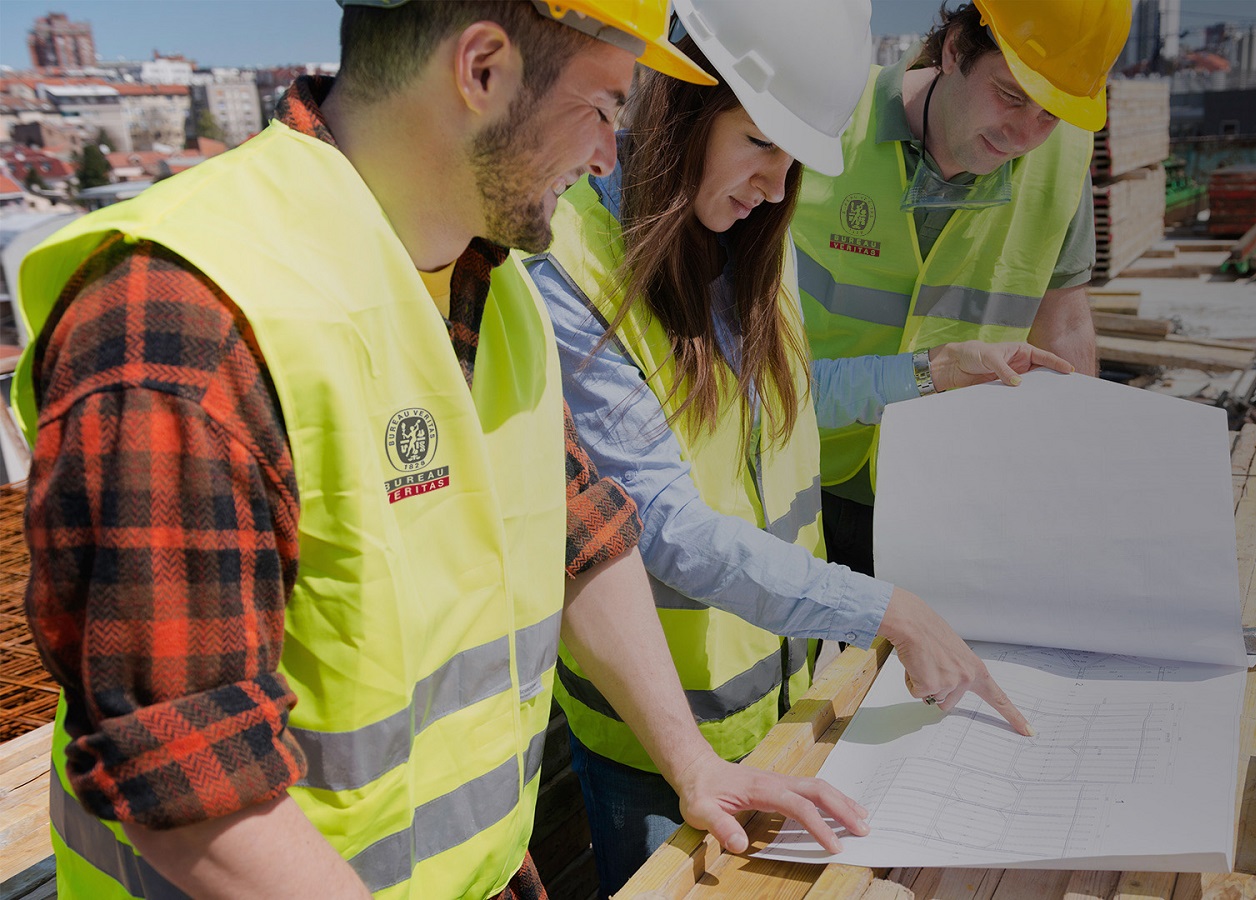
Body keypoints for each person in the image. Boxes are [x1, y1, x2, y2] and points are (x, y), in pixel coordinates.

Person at [14, 3, 867, 898]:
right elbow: (189, 777)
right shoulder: (182, 320)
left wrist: (693, 764)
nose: (609, 156)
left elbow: (581, 536)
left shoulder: (494, 293)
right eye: (604, 108)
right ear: (484, 69)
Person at [525, 1, 1073, 893]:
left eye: (792, 161)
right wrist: (886, 610)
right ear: (683, 106)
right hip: (663, 746)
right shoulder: (569, 270)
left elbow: (785, 404)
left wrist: (933, 371)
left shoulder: (740, 235)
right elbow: (661, 527)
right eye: (759, 145)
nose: (775, 189)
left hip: (781, 706)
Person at [791, 0, 1133, 576]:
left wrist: (1077, 477)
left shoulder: (1063, 162)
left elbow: (1066, 324)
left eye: (1050, 113)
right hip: (797, 460)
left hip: (941, 488)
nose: (1025, 134)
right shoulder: (831, 120)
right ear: (954, 50)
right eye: (1011, 94)